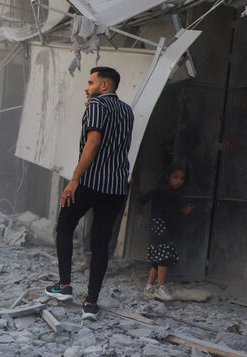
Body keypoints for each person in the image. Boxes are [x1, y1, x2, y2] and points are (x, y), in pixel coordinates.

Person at [44, 66, 134, 321]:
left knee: (64, 225)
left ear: (104, 86)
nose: (87, 87)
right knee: (100, 244)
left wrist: (74, 180)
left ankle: (64, 286)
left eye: (91, 82)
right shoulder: (127, 111)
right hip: (116, 186)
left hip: (91, 181)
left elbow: (93, 142)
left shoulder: (96, 105)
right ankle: (91, 304)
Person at [139, 166, 194, 301]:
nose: (178, 181)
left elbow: (172, 212)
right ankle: (160, 287)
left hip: (168, 226)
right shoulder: (159, 190)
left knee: (159, 257)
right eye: (175, 177)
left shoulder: (176, 193)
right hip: (159, 225)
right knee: (164, 256)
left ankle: (149, 287)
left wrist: (183, 212)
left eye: (181, 178)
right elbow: (142, 199)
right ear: (168, 177)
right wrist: (139, 214)